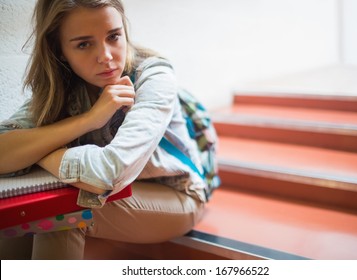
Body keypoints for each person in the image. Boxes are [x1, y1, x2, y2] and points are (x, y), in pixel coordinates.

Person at [0, 0, 206, 260]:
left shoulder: (153, 75)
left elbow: (107, 174)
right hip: (112, 195)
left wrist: (39, 149)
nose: (106, 57)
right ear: (59, 49)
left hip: (176, 195)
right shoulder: (63, 86)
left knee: (59, 214)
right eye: (84, 44)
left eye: (114, 36)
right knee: (15, 215)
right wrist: (89, 119)